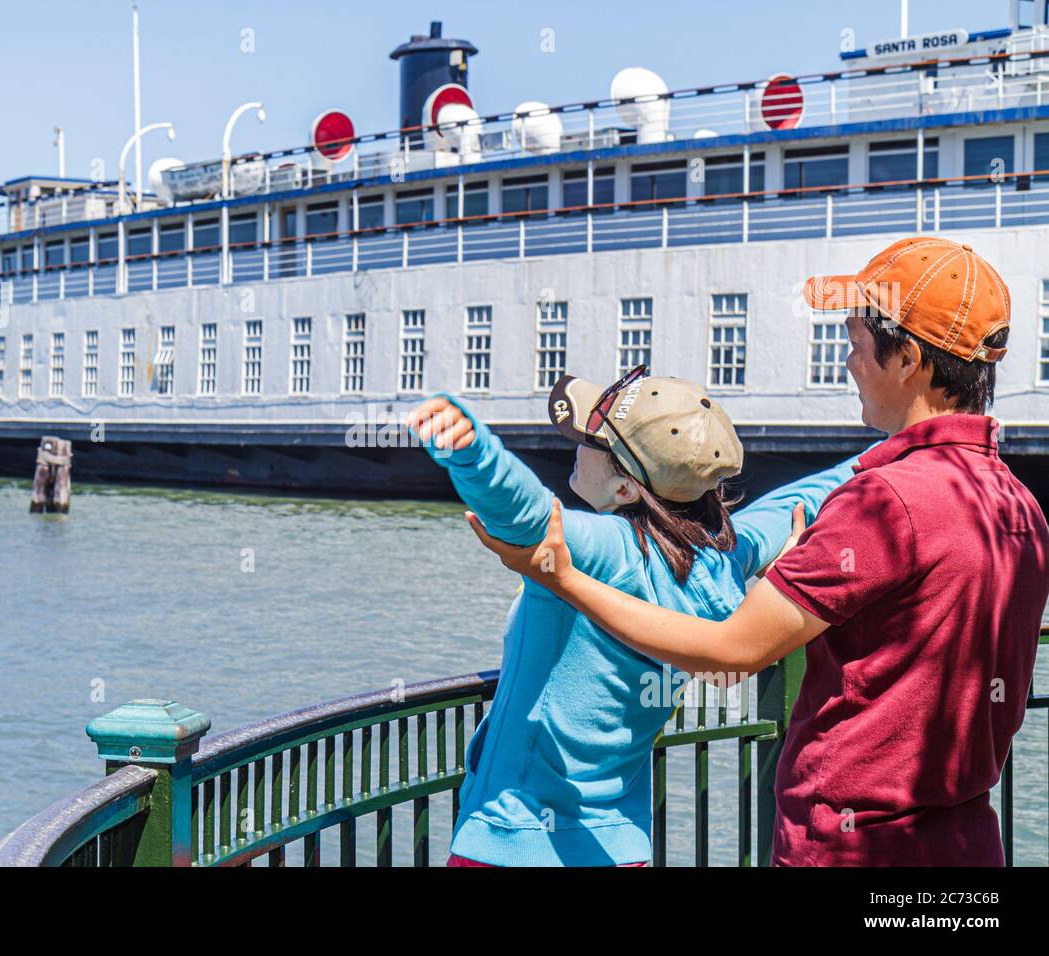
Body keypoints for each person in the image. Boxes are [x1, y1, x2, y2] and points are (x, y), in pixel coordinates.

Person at [468, 237, 1049, 867]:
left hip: (854, 848)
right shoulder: (1016, 507)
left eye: (855, 344)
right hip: (967, 844)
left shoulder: (881, 504)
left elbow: (732, 651)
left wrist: (561, 578)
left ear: (907, 358)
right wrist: (814, 571)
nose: (849, 362)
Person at [408, 366, 866, 866]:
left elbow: (521, 511)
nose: (578, 444)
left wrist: (472, 452)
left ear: (626, 489)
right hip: (620, 846)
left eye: (593, 441)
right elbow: (800, 499)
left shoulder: (598, 551)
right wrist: (898, 444)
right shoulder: (724, 560)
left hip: (514, 838)